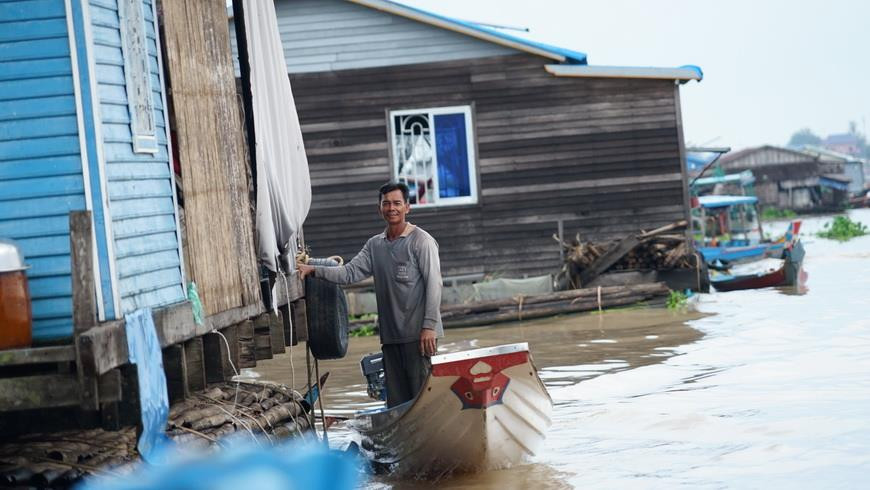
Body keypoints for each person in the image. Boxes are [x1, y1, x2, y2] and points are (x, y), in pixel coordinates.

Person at [297, 182, 443, 408]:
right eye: (386, 204)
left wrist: (430, 327)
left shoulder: (422, 242)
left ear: (407, 207)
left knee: (423, 402)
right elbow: (349, 273)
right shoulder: (375, 245)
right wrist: (314, 270)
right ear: (380, 209)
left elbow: (435, 284)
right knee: (397, 404)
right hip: (391, 338)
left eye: (397, 203)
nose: (391, 208)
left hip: (419, 338)